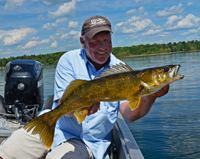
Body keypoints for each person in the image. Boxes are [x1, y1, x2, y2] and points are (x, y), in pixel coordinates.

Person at [0, 15, 169, 159]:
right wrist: (82, 109)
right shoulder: (68, 60)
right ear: (83, 42)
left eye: (107, 41)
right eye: (96, 42)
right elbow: (64, 105)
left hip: (87, 141)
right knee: (8, 151)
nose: (103, 48)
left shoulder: (121, 70)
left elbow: (129, 115)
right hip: (58, 125)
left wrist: (150, 96)